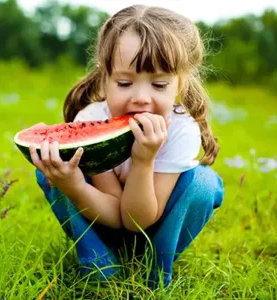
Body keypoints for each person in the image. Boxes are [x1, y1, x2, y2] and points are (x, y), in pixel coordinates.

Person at [29, 5, 224, 289]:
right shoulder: (92, 119)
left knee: (204, 183)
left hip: (155, 226)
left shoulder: (181, 130)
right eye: (124, 83)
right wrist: (73, 185)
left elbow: (136, 222)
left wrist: (143, 161)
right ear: (104, 78)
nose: (141, 98)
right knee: (52, 168)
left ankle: (155, 273)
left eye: (159, 85)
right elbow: (117, 217)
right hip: (102, 218)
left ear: (180, 84)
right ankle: (99, 265)